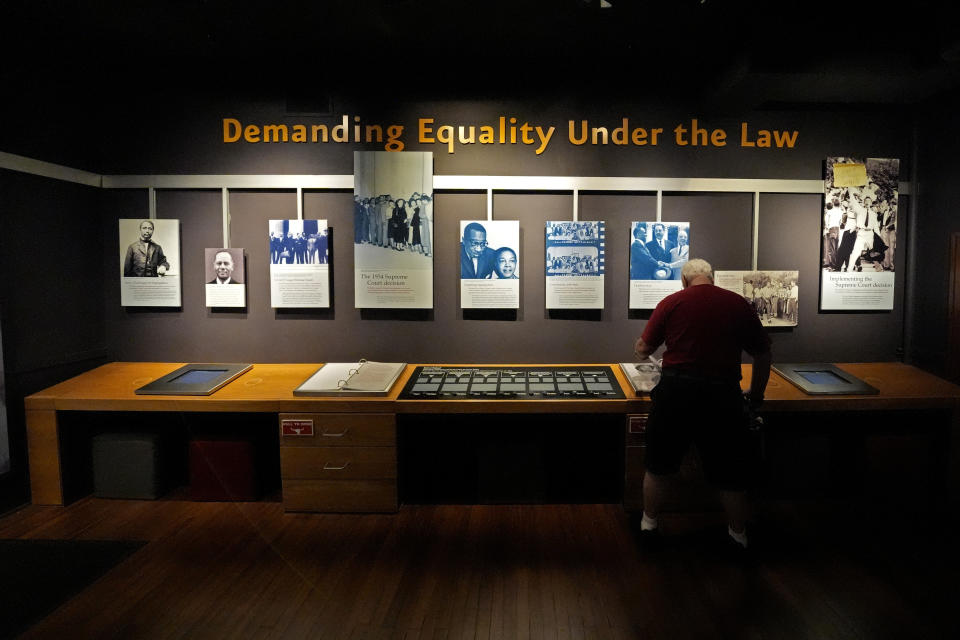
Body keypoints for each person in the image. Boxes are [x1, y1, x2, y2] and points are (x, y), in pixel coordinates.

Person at [633, 258, 771, 553]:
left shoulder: (672, 302)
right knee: (730, 472)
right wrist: (756, 394)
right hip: (722, 395)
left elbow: (644, 349)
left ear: (684, 280)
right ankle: (738, 536)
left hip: (676, 392)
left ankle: (649, 526)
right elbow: (763, 353)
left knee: (659, 465)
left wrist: (641, 347)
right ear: (711, 277)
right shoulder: (737, 304)